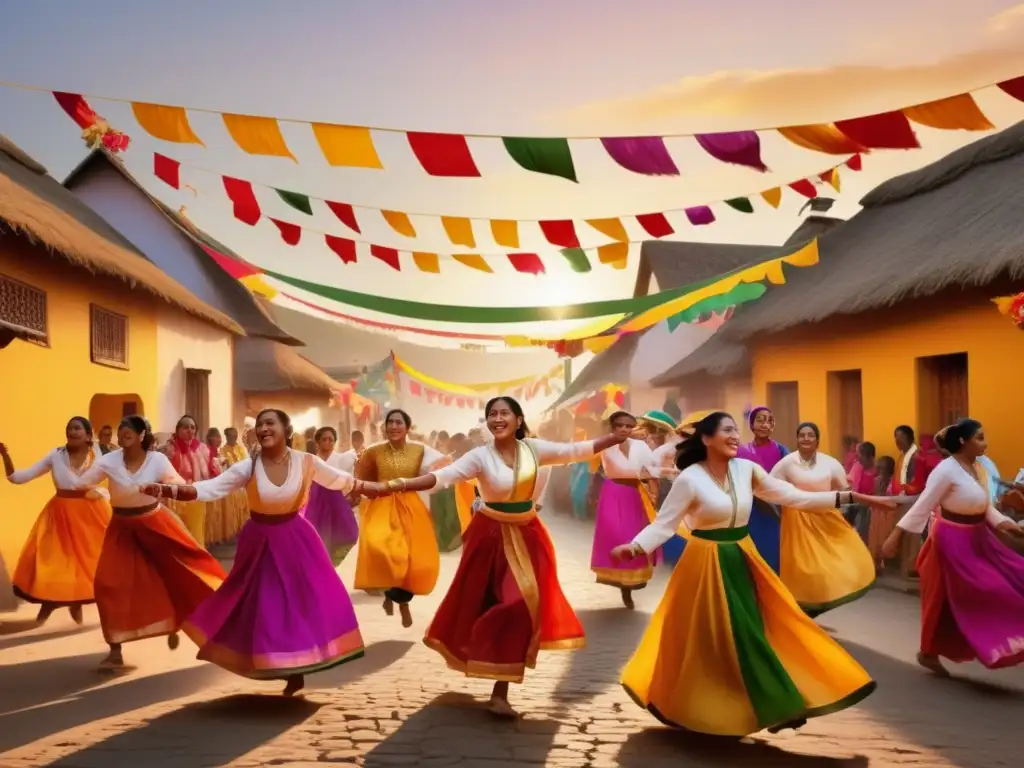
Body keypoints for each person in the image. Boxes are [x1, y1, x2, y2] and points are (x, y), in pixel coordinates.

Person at [612, 411, 889, 737]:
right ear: (706, 438)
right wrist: (634, 547)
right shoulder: (690, 479)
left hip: (743, 557)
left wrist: (851, 497)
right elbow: (664, 524)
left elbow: (793, 496)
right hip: (705, 565)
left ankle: (778, 703)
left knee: (758, 630)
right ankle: (694, 703)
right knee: (709, 640)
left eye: (735, 431)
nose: (734, 436)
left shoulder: (747, 470)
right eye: (726, 430)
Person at [380, 396, 626, 716]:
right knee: (480, 603)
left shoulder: (534, 450)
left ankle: (501, 690)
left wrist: (614, 437)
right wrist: (400, 484)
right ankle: (481, 657)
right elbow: (445, 477)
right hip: (490, 536)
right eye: (492, 414)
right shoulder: (480, 456)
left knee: (517, 603)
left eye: (504, 413)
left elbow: (574, 451)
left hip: (528, 536)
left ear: (519, 420)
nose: (497, 418)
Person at [140, 408, 380, 696]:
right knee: (266, 602)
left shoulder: (307, 462)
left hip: (297, 540)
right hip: (260, 543)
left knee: (302, 601)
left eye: (271, 423)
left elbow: (342, 481)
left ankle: (298, 664)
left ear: (287, 431)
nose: (264, 428)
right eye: (261, 425)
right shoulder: (249, 466)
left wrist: (382, 487)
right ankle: (272, 660)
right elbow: (211, 488)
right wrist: (168, 491)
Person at [65, 416, 226, 671]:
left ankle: (189, 623)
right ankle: (115, 650)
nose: (123, 434)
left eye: (129, 431)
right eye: (121, 430)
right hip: (121, 528)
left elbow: (179, 483)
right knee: (107, 583)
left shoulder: (158, 460)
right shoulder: (108, 461)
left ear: (142, 436)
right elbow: (81, 482)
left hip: (155, 523)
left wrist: (181, 488)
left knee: (182, 572)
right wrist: (73, 465)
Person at [881, 419, 1024, 677]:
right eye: (979, 438)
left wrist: (1006, 524)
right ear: (963, 442)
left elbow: (983, 505)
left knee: (1014, 576)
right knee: (989, 588)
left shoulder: (975, 467)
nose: (985, 443)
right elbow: (923, 504)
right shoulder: (945, 470)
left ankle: (929, 652)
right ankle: (993, 641)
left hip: (981, 538)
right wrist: (895, 536)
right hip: (953, 542)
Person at [0, 417, 112, 625]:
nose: (72, 432)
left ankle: (77, 603)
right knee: (54, 560)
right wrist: (6, 457)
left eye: (77, 428)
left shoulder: (100, 455)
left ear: (88, 435)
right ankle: (49, 602)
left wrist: (104, 493)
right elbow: (19, 477)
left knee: (94, 561)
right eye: (69, 429)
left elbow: (119, 479)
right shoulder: (56, 455)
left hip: (92, 515)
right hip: (60, 515)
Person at [353, 408, 448, 627]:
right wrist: (356, 494)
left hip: (410, 506)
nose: (393, 426)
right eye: (390, 423)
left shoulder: (420, 450)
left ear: (407, 427)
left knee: (410, 557)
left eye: (398, 422)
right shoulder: (373, 452)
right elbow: (361, 478)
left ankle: (401, 601)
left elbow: (441, 468)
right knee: (387, 550)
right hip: (381, 507)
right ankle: (391, 593)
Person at [770, 423, 876, 616]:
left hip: (826, 517)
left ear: (817, 440)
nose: (806, 439)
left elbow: (843, 490)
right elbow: (769, 488)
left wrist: (847, 509)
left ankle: (823, 602)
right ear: (797, 439)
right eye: (802, 435)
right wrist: (780, 513)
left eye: (810, 435)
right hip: (797, 520)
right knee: (803, 567)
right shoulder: (787, 463)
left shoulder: (830, 463)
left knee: (836, 561)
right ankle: (801, 608)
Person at [591, 411, 670, 609]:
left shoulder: (641, 446)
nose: (625, 429)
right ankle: (620, 582)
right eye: (620, 426)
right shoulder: (605, 446)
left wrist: (654, 491)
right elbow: (612, 470)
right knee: (616, 534)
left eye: (629, 426)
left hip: (635, 494)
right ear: (613, 428)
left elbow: (650, 470)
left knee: (633, 536)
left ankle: (629, 584)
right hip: (613, 493)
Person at [735, 406, 788, 572]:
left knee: (775, 552)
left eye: (769, 421)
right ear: (751, 425)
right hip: (751, 511)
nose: (765, 425)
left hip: (775, 511)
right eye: (760, 420)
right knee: (752, 553)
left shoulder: (781, 451)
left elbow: (791, 476)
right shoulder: (742, 452)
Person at [302, 426, 360, 565]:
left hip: (336, 504)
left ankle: (330, 565)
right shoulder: (311, 461)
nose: (328, 442)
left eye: (331, 440)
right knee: (316, 537)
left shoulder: (342, 459)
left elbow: (351, 477)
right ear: (318, 442)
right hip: (315, 503)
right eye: (325, 439)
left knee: (344, 535)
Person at [164, 415, 213, 547]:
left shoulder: (201, 449)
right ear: (178, 430)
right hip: (176, 498)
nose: (190, 430)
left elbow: (208, 472)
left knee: (196, 533)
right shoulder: (170, 449)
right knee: (179, 533)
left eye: (193, 427)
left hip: (196, 496)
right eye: (186, 427)